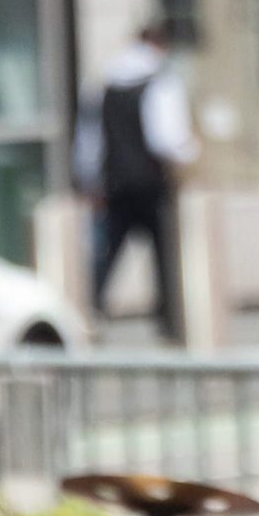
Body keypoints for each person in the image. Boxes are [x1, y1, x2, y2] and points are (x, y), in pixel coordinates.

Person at [73, 22, 198, 342]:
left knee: (108, 253)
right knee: (165, 255)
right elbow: (165, 139)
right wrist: (191, 154)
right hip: (151, 181)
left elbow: (89, 139)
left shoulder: (104, 80)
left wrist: (89, 180)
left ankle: (91, 314)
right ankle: (169, 322)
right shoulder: (161, 80)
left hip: (115, 182)